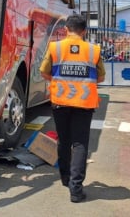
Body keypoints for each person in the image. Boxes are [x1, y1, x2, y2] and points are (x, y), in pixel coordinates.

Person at [39, 14, 105, 203]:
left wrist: (62, 81)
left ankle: (65, 178)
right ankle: (76, 190)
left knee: (64, 140)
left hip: (60, 101)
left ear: (66, 29)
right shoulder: (93, 50)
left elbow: (44, 72)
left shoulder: (55, 47)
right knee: (80, 143)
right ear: (84, 31)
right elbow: (100, 78)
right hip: (84, 103)